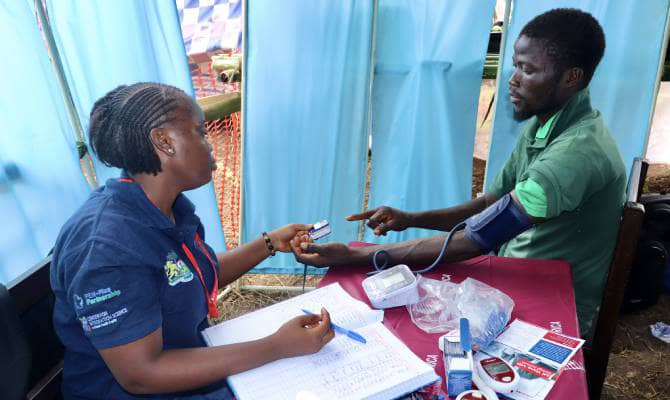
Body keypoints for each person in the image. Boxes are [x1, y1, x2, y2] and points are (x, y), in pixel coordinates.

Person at [292, 8, 626, 338]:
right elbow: (489, 206)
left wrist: (358, 255)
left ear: (571, 78)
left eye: (527, 69)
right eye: (515, 65)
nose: (512, 79)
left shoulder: (575, 154)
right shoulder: (546, 126)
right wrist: (409, 219)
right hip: (520, 274)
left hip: (553, 301)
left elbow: (479, 238)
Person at [50, 82, 334, 399]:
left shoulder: (164, 210)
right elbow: (141, 374)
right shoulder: (107, 247)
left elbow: (185, 275)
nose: (210, 144)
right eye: (200, 132)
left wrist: (268, 243)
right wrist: (277, 347)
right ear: (164, 142)